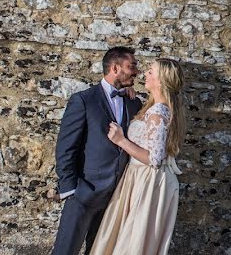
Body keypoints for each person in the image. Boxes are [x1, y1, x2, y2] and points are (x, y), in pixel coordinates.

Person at [89, 58, 187, 255]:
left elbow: (154, 159)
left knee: (132, 241)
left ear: (161, 80)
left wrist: (121, 140)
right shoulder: (155, 107)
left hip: (146, 180)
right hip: (137, 177)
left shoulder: (158, 111)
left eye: (151, 72)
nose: (145, 74)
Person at [52, 46, 142, 255]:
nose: (136, 71)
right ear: (115, 68)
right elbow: (66, 148)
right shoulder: (83, 100)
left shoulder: (133, 102)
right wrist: (71, 190)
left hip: (116, 198)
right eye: (132, 66)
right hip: (84, 193)